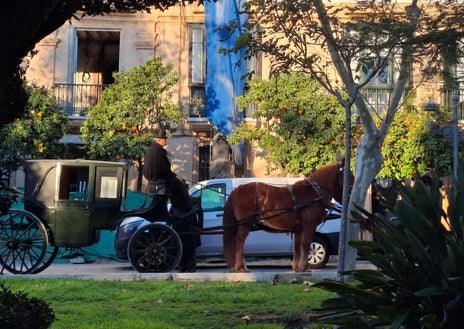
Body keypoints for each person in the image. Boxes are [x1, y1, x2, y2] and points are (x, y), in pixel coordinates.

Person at [143, 129, 201, 272]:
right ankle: (185, 203)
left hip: (159, 180)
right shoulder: (158, 151)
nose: (166, 141)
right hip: (162, 181)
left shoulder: (153, 151)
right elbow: (165, 170)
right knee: (180, 186)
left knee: (179, 183)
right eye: (164, 139)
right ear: (159, 139)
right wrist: (175, 177)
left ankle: (185, 201)